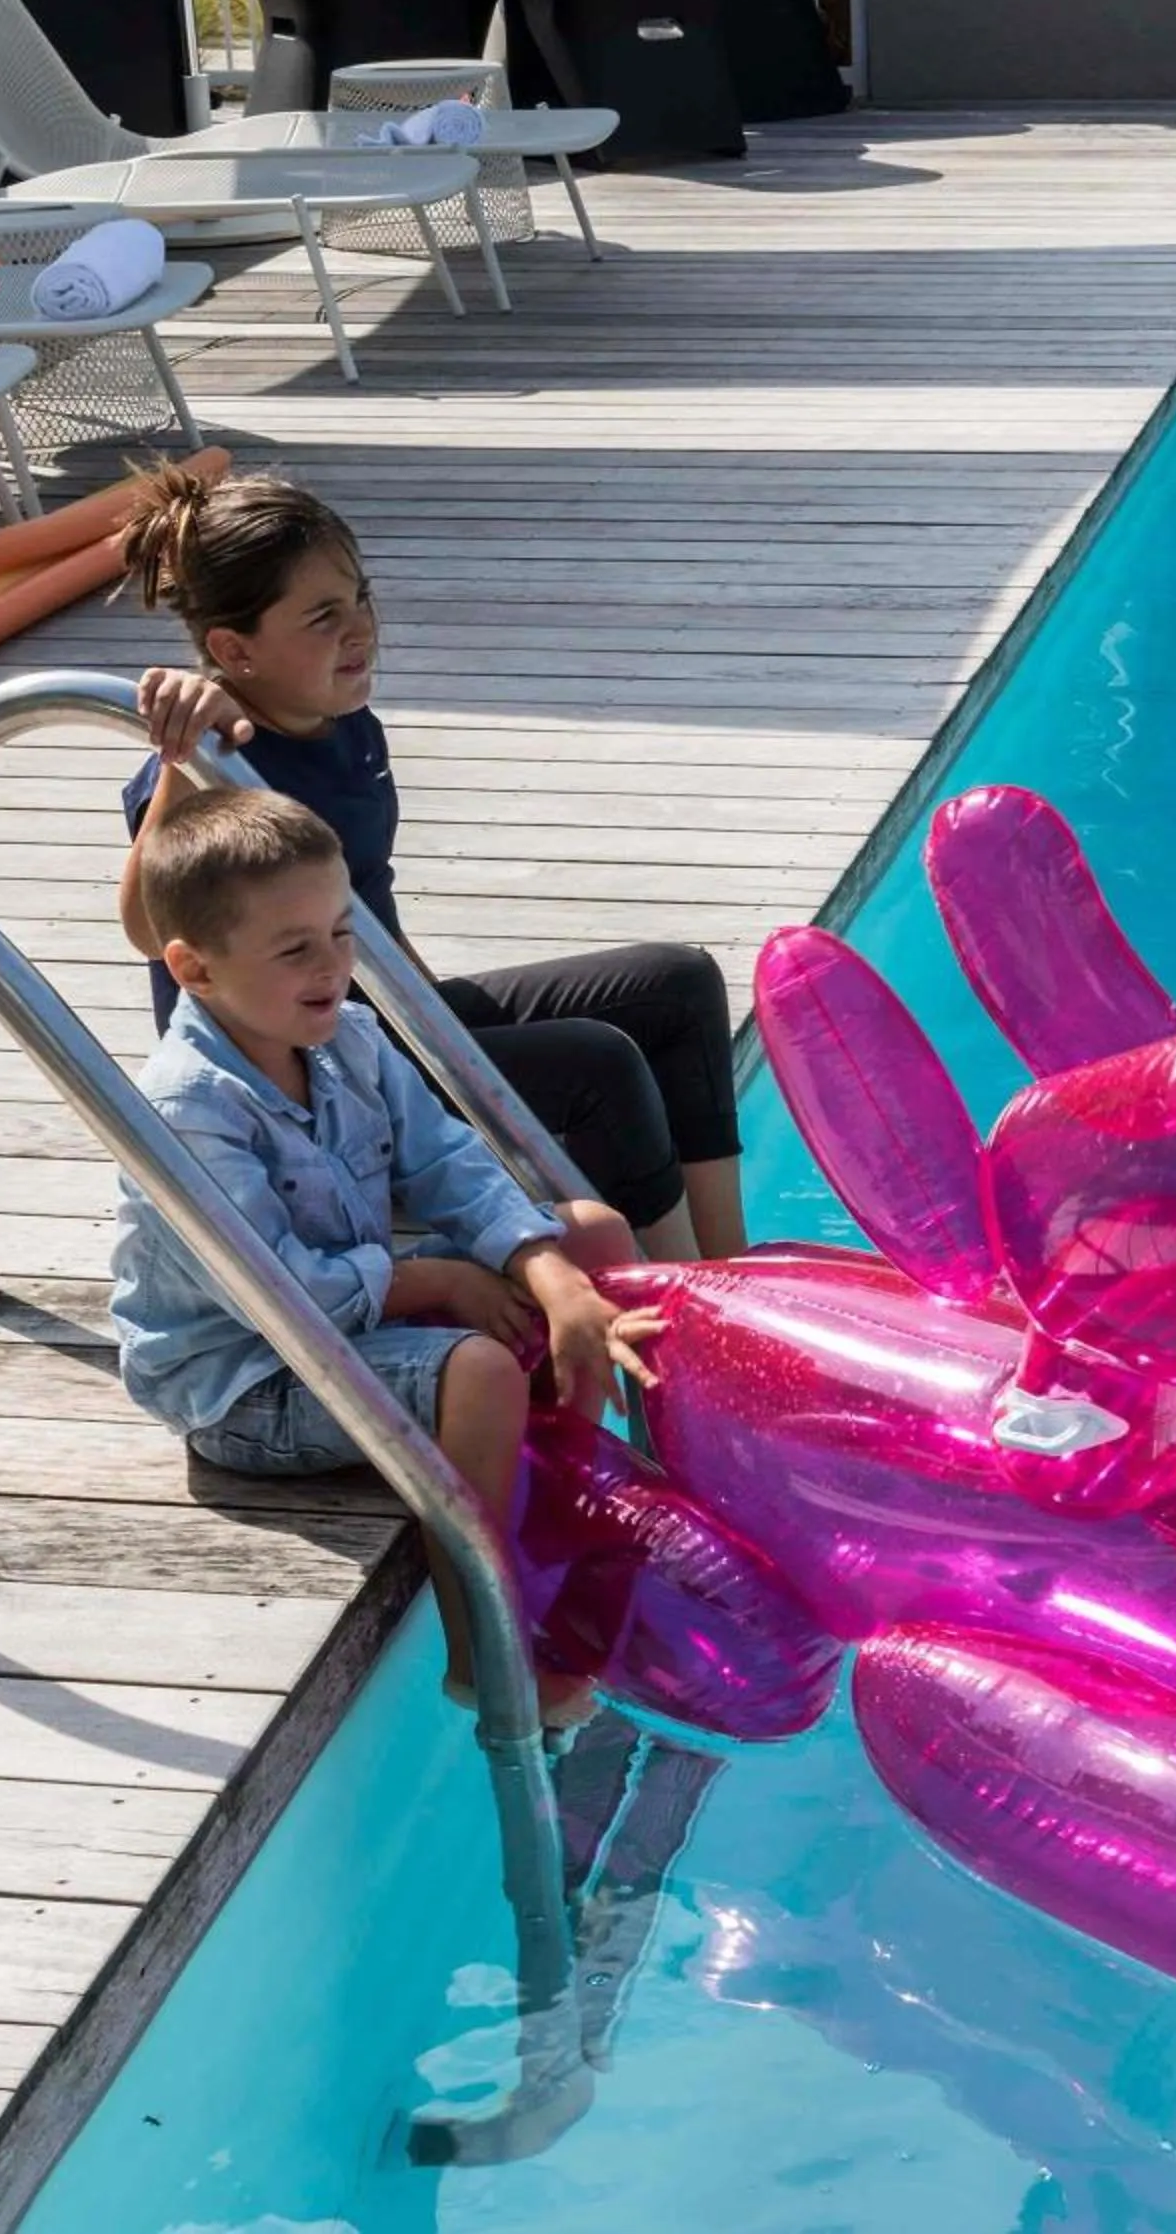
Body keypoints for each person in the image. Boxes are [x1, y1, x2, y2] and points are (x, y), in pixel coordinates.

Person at [107, 783, 664, 1710]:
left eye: (340, 932)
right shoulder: (188, 1108)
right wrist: (431, 1281)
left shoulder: (346, 1038)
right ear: (194, 970)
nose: (332, 965)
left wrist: (546, 1270)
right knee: (479, 1370)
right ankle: (483, 1644)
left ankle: (569, 1507)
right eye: (295, 949)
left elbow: (449, 1161)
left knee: (593, 1235)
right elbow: (270, 1293)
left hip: (349, 1318)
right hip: (247, 1380)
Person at [110, 462, 748, 1262]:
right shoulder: (219, 766)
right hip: (302, 1060)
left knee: (678, 984)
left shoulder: (346, 725)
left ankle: (731, 1266)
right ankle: (689, 1313)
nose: (361, 628)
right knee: (597, 1067)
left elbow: (370, 896)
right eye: (322, 616)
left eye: (361, 598)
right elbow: (145, 928)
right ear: (234, 650)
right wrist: (183, 753)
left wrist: (446, 1027)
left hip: (386, 1014)